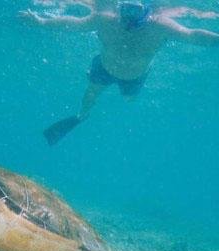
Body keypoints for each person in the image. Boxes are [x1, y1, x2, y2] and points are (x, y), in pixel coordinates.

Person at [22, 1, 219, 145]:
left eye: (135, 9)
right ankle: (81, 116)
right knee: (89, 96)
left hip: (136, 76)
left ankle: (117, 97)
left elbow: (191, 35)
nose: (128, 15)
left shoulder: (161, 27)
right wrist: (40, 21)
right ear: (119, 6)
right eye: (126, 8)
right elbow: (73, 23)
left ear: (148, 10)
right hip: (104, 67)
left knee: (129, 99)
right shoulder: (104, 20)